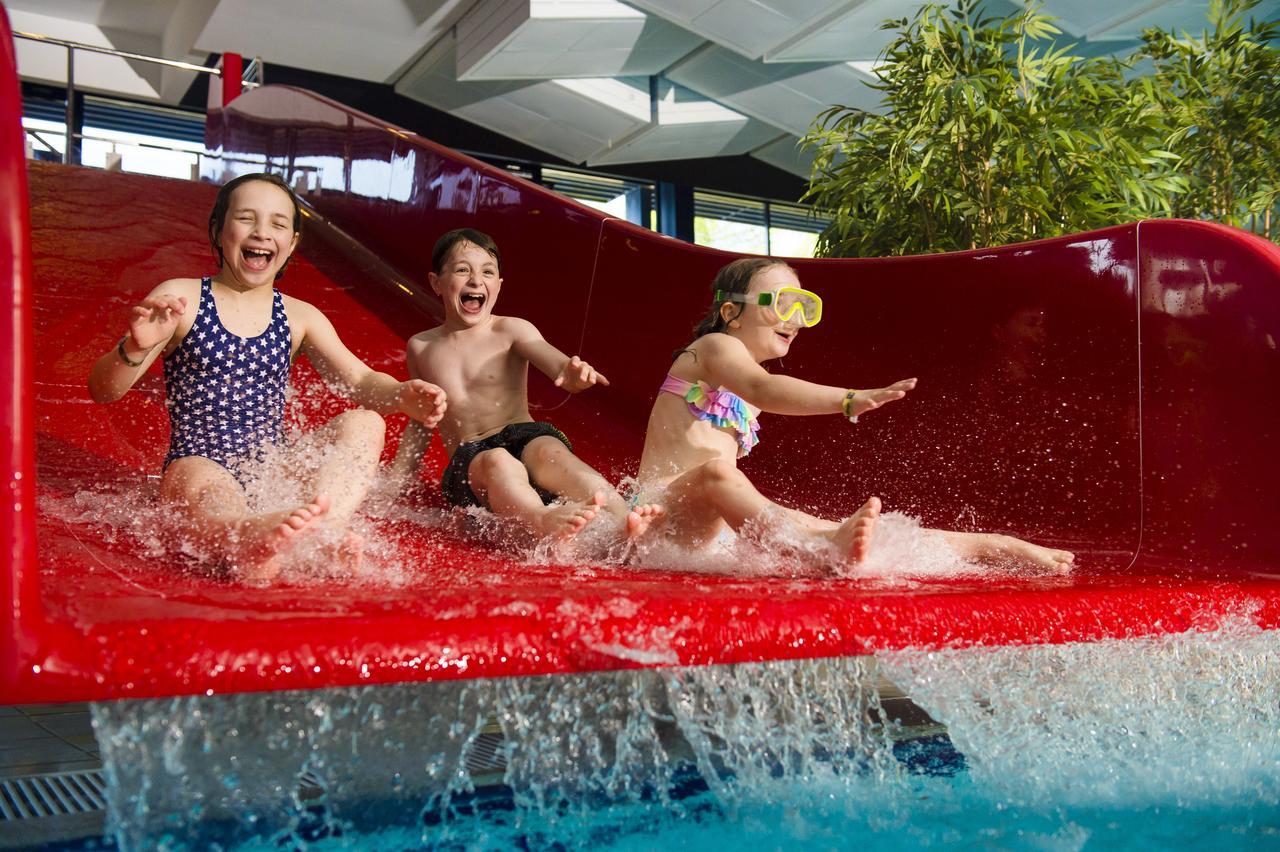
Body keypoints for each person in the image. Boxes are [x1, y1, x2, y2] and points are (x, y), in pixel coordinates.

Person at [88, 172, 447, 580]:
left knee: (365, 423)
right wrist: (133, 349)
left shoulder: (299, 316)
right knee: (208, 492)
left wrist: (401, 394)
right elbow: (103, 391)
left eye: (278, 224)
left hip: (270, 469)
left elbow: (360, 383)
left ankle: (322, 531)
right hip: (200, 461)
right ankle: (246, 540)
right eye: (246, 219)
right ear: (219, 231)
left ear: (292, 243)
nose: (262, 232)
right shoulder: (182, 300)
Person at [635, 256, 1076, 573]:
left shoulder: (736, 379)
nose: (797, 319)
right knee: (718, 474)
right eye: (782, 303)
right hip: (660, 515)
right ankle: (816, 552)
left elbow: (758, 389)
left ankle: (989, 545)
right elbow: (764, 389)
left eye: (804, 306)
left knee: (811, 522)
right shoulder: (714, 347)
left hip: (698, 529)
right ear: (730, 312)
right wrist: (847, 399)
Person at [390, 228, 661, 547]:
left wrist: (572, 375)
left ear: (498, 286)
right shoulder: (421, 347)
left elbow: (557, 364)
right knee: (498, 461)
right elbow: (422, 418)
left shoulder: (511, 329)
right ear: (436, 282)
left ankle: (622, 519)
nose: (476, 280)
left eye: (487, 272)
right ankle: (542, 518)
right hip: (473, 460)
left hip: (523, 436)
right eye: (463, 269)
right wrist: (396, 484)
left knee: (551, 451)